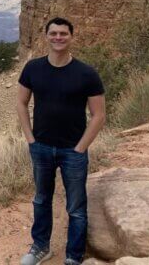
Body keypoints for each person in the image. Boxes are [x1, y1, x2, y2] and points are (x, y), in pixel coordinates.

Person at [16, 17, 106, 265]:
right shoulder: (33, 68)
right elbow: (21, 103)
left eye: (63, 34)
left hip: (72, 151)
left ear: (71, 37)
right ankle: (40, 248)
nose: (58, 37)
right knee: (41, 199)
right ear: (46, 36)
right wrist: (30, 138)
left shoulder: (86, 73)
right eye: (53, 33)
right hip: (41, 147)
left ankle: (74, 257)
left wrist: (81, 148)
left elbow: (99, 115)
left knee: (76, 207)